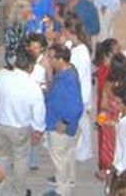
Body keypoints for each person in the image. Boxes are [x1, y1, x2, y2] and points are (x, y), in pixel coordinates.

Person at [0, 50, 43, 196]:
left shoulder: (2, 75)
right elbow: (39, 113)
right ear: (31, 67)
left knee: (0, 156)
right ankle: (19, 191)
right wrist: (38, 130)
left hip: (0, 125)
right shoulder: (33, 86)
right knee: (20, 159)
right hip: (20, 129)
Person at [43, 43, 83, 196]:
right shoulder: (66, 73)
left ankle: (62, 190)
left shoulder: (68, 79)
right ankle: (69, 179)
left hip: (60, 125)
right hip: (65, 125)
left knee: (59, 159)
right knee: (68, 155)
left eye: (51, 57)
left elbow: (76, 106)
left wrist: (65, 123)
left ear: (61, 60)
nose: (48, 60)